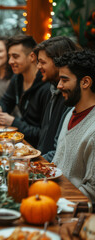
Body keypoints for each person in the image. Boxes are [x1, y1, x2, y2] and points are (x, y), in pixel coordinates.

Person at [0, 35, 50, 147]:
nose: (10, 61)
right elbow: (6, 101)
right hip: (19, 142)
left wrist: (13, 122)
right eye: (9, 56)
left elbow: (43, 135)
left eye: (15, 56)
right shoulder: (17, 78)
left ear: (32, 57)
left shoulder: (46, 87)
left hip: (36, 149)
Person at [52, 49, 95, 201]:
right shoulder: (70, 113)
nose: (59, 85)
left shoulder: (93, 130)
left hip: (72, 208)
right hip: (52, 192)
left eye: (64, 80)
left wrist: (56, 199)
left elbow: (92, 191)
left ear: (85, 82)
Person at [33, 36, 79, 159]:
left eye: (42, 62)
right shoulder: (51, 89)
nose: (38, 67)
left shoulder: (71, 98)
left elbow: (60, 151)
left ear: (59, 62)